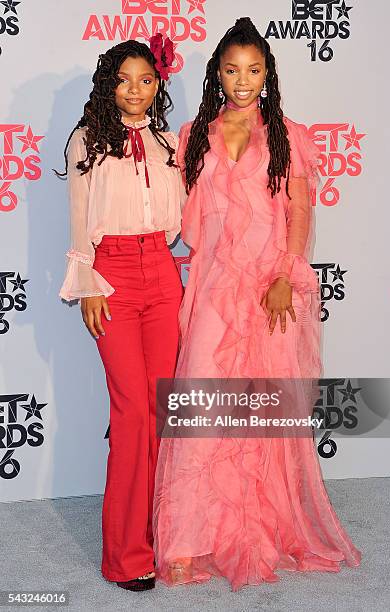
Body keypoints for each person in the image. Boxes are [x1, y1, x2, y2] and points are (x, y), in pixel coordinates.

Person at [153, 18, 362, 591]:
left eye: (253, 70)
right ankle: (188, 539)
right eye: (231, 69)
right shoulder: (196, 132)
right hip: (215, 285)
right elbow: (183, 215)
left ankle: (259, 531)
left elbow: (301, 214)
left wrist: (284, 277)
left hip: (270, 289)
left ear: (268, 74)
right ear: (216, 73)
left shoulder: (290, 134)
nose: (242, 81)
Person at [58, 37, 185, 592]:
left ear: (158, 85)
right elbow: (79, 216)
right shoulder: (87, 141)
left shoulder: (168, 141)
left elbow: (185, 215)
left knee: (160, 411)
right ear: (109, 83)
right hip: (110, 276)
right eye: (124, 79)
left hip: (163, 271)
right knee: (132, 412)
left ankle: (165, 537)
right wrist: (87, 281)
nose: (135, 90)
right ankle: (125, 556)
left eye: (146, 80)